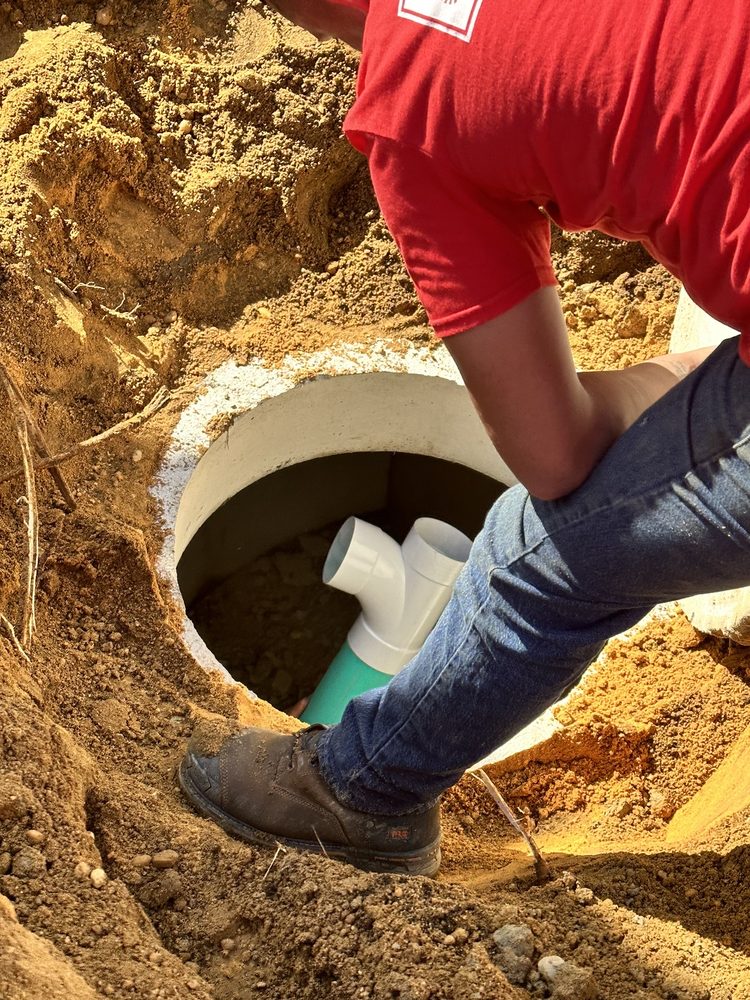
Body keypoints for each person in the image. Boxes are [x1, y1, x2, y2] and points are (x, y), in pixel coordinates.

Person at [179, 0, 750, 876]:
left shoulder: (416, 99)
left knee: (542, 552)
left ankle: (361, 790)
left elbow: (553, 457)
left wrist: (672, 381)